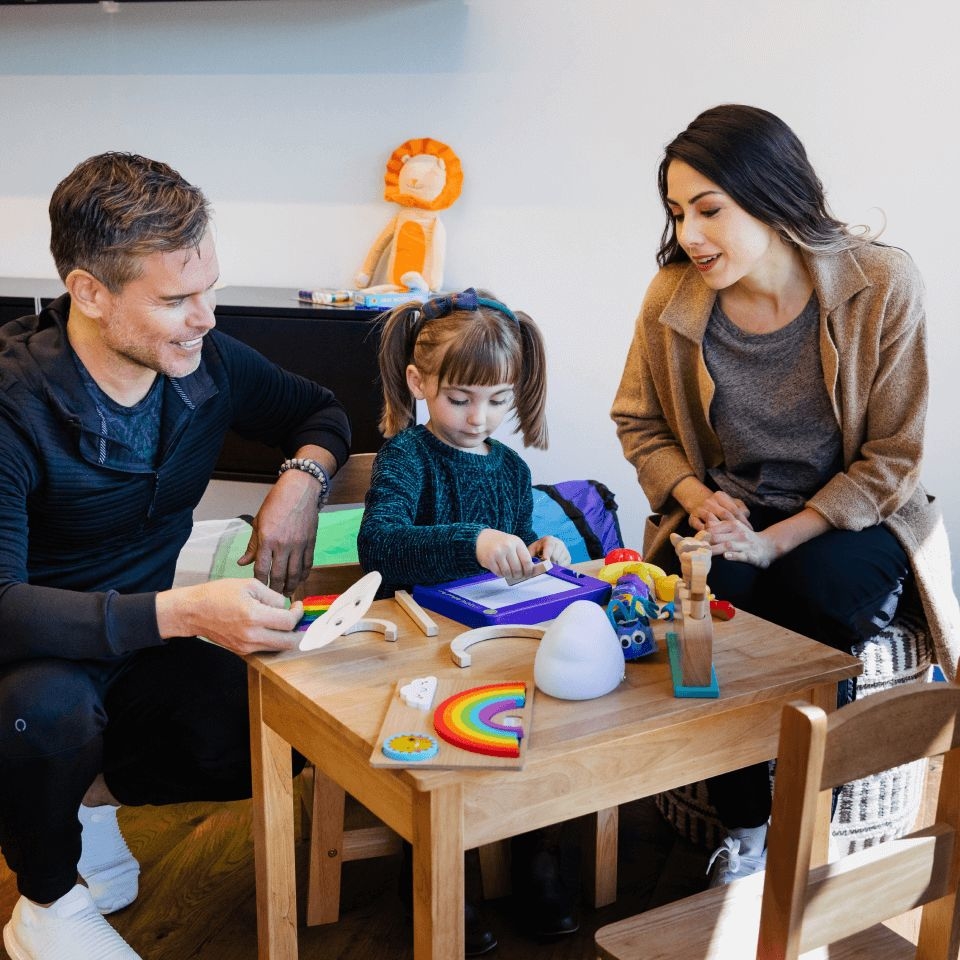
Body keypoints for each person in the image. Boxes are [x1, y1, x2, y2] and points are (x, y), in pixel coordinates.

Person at [0, 152, 351, 960]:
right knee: (47, 716)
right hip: (28, 657)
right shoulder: (12, 406)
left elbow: (321, 412)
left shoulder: (206, 364)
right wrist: (188, 610)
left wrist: (298, 483)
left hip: (135, 650)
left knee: (278, 727)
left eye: (212, 288)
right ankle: (44, 900)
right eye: (176, 299)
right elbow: (2, 605)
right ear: (89, 292)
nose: (207, 318)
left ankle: (75, 806)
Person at [611, 104, 960, 887]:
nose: (691, 234)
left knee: (819, 592)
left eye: (710, 210)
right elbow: (638, 421)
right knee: (713, 601)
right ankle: (746, 827)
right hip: (729, 504)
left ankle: (810, 813)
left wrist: (778, 539)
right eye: (677, 212)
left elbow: (893, 457)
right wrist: (697, 496)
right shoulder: (672, 300)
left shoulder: (881, 283)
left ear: (771, 195)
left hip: (854, 512)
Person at [357, 288, 576, 954]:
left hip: (492, 641)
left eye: (498, 400)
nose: (479, 418)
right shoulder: (406, 456)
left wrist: (538, 551)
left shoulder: (511, 468)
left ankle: (533, 856)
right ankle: (428, 871)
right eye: (460, 398)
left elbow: (515, 541)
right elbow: (381, 544)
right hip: (418, 646)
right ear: (420, 383)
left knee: (540, 713)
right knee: (438, 740)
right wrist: (472, 541)